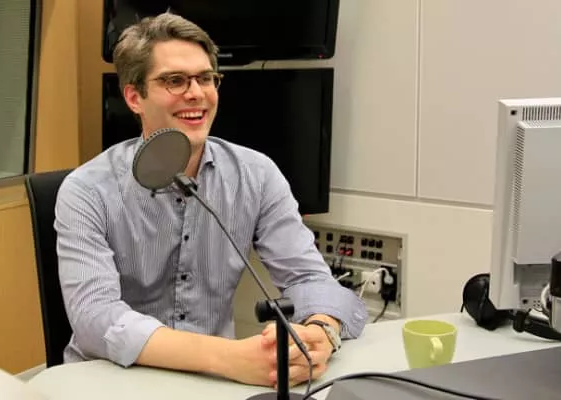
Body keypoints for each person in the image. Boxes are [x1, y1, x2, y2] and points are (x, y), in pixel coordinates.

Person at [54, 12, 367, 388]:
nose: (196, 93)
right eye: (175, 80)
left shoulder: (256, 174)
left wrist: (321, 331)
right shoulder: (87, 190)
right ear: (134, 97)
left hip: (214, 383)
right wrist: (229, 358)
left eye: (205, 78)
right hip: (111, 382)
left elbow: (309, 278)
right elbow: (95, 318)